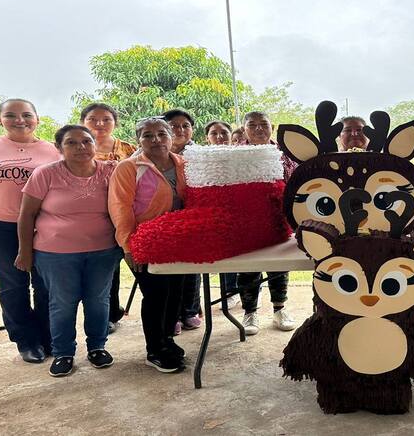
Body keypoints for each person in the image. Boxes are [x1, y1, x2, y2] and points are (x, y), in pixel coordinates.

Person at [0, 98, 60, 363]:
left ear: (37, 119)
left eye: (27, 114)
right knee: (13, 283)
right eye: (11, 115)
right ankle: (26, 341)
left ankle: (49, 337)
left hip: (43, 225)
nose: (20, 120)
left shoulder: (53, 151)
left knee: (46, 282)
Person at [15, 125, 119, 377]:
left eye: (86, 141)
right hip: (55, 253)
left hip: (103, 250)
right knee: (62, 303)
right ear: (59, 148)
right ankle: (63, 352)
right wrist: (25, 251)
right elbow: (26, 214)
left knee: (98, 301)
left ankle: (97, 347)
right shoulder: (45, 174)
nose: (80, 147)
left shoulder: (111, 172)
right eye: (71, 143)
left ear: (95, 144)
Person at [108, 117, 188, 373]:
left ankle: (167, 340)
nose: (156, 140)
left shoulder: (183, 164)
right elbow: (120, 208)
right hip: (144, 240)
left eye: (161, 134)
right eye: (148, 135)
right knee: (156, 294)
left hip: (178, 238)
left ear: (171, 137)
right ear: (138, 140)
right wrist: (129, 247)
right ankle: (154, 349)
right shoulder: (128, 168)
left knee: (175, 292)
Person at [236, 111, 296, 335]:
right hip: (246, 222)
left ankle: (280, 309)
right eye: (253, 125)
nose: (259, 129)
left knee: (279, 266)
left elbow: (293, 184)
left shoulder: (284, 154)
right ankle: (249, 312)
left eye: (264, 124)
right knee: (248, 268)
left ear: (273, 127)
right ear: (244, 130)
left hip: (278, 220)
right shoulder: (235, 155)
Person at [174, 120, 235, 335]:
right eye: (214, 133)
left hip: (226, 222)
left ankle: (192, 310)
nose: (219, 137)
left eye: (223, 132)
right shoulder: (197, 157)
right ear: (206, 136)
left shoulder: (238, 157)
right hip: (187, 218)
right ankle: (178, 313)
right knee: (184, 267)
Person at [81, 102, 137, 333]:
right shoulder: (78, 149)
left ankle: (171, 312)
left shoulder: (129, 149)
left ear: (115, 122)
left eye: (106, 119)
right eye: (93, 119)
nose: (100, 124)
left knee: (140, 264)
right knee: (106, 271)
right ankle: (109, 314)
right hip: (95, 218)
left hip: (127, 215)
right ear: (83, 122)